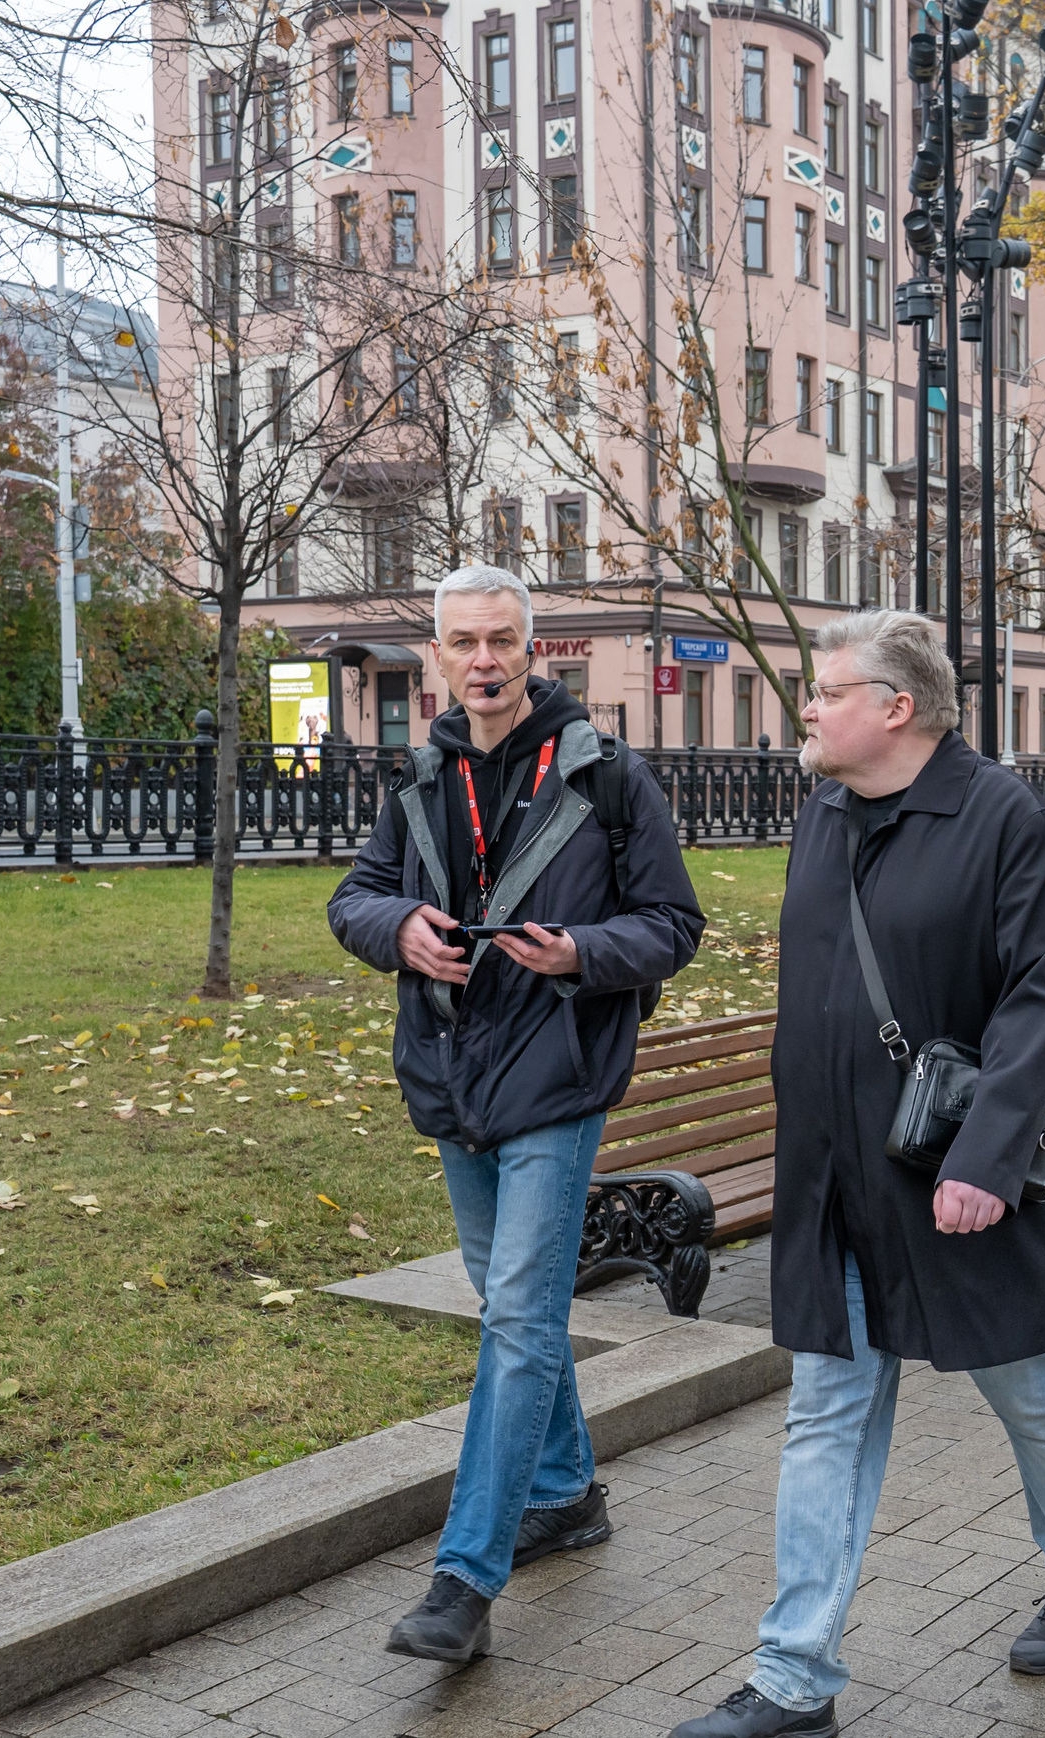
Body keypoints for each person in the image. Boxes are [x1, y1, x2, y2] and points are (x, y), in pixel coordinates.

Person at [672, 611, 1045, 1738]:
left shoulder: (1005, 820)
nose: (807, 710)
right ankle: (792, 1676)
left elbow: (1041, 998)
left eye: (826, 691)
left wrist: (984, 1156)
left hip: (952, 1173)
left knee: (1033, 1387)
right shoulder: (823, 812)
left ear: (897, 708)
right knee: (825, 1409)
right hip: (834, 1180)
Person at [328, 566, 707, 1663]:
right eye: (463, 642)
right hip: (452, 1079)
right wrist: (396, 926)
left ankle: (464, 1574)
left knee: (517, 1317)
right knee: (513, 1302)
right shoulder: (419, 771)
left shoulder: (605, 772)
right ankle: (566, 1492)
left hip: (556, 1073)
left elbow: (675, 924)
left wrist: (585, 953)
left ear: (535, 650)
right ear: (438, 654)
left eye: (502, 640)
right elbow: (352, 896)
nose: (483, 660)